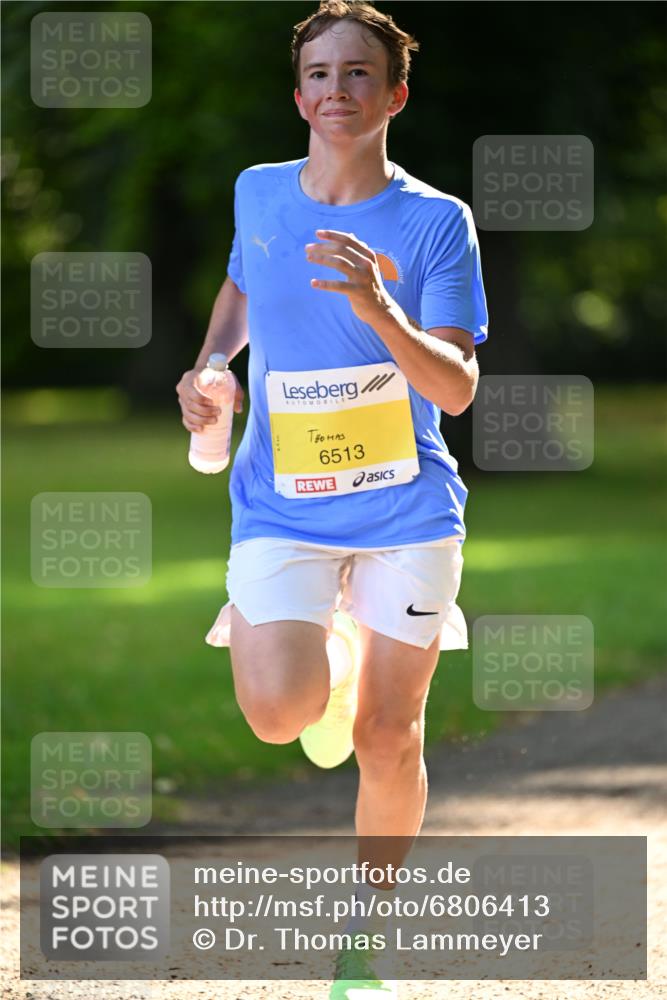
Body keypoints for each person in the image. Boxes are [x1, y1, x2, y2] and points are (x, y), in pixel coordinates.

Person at [176, 2, 489, 996]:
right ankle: (330, 658)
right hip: (283, 504)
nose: (337, 90)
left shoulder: (436, 221)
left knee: (388, 736)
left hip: (406, 507)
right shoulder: (259, 193)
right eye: (319, 74)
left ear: (393, 94)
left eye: (359, 74)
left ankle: (367, 940)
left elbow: (454, 387)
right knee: (278, 713)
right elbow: (240, 287)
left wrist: (379, 307)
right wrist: (212, 363)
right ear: (299, 94)